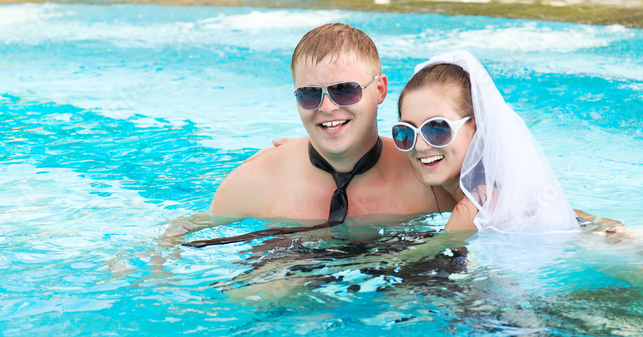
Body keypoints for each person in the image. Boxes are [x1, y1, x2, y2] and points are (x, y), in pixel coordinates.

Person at [207, 23, 456, 226]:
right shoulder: (257, 181)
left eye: (345, 90)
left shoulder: (429, 177)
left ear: (380, 90)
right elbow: (181, 234)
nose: (326, 108)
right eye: (309, 94)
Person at [393, 49, 620, 235]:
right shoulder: (506, 191)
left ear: (476, 127)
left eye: (437, 128)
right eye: (406, 132)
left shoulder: (471, 213)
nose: (420, 146)